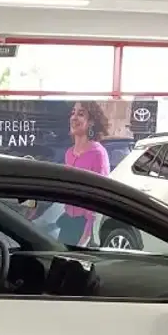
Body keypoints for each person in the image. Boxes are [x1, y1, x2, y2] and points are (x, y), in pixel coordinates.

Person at [57, 101, 111, 247]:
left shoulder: (98, 154)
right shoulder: (69, 153)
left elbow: (98, 199)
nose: (74, 117)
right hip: (68, 223)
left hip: (86, 229)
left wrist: (85, 238)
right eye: (73, 113)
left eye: (80, 114)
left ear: (91, 122)